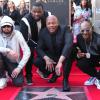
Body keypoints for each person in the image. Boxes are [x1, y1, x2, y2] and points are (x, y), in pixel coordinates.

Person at [36, 15, 73, 91]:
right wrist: (46, 58)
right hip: (52, 55)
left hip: (64, 55)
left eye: (53, 23)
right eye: (49, 23)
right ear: (46, 24)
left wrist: (60, 62)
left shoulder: (65, 29)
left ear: (58, 23)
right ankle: (55, 73)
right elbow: (39, 48)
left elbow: (68, 44)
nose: (51, 25)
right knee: (37, 61)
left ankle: (65, 80)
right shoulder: (43, 32)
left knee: (71, 52)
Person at [20, 2, 50, 85]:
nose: (36, 14)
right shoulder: (25, 20)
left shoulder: (48, 15)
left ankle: (43, 70)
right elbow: (25, 39)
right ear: (31, 11)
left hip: (42, 40)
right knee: (30, 53)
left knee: (51, 51)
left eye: (39, 12)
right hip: (29, 41)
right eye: (34, 11)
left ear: (43, 11)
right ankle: (28, 75)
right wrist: (37, 46)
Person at [0, 16, 30, 89]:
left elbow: (27, 51)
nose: (6, 28)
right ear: (1, 27)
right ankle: (2, 77)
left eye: (8, 26)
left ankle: (8, 75)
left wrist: (19, 67)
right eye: (4, 26)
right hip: (2, 59)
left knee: (18, 83)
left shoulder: (18, 34)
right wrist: (8, 50)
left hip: (13, 62)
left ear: (12, 26)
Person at [76, 20, 100, 89]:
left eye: (87, 30)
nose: (85, 33)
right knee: (80, 63)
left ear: (91, 29)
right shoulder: (79, 37)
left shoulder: (98, 39)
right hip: (90, 57)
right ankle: (96, 77)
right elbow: (76, 49)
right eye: (82, 30)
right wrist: (78, 55)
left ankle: (98, 78)